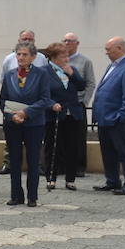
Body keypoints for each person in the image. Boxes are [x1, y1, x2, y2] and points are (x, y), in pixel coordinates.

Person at [0, 39, 53, 207]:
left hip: (34, 124)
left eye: (25, 55)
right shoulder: (9, 75)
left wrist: (26, 113)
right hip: (13, 124)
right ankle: (16, 195)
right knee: (14, 161)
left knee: (33, 160)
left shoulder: (42, 74)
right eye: (18, 54)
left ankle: (32, 196)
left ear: (33, 57)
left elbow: (45, 99)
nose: (21, 57)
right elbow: (3, 100)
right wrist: (12, 116)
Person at [93, 37, 125, 195]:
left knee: (124, 153)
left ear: (120, 48)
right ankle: (112, 181)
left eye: (109, 49)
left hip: (117, 119)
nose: (106, 52)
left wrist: (122, 116)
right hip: (104, 118)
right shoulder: (112, 66)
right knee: (108, 152)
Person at [0, 30, 48, 175]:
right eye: (24, 38)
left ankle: (36, 165)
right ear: (19, 40)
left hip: (33, 111)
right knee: (12, 145)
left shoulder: (42, 59)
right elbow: (5, 81)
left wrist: (27, 112)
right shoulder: (9, 59)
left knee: (34, 146)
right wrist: (13, 112)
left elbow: (44, 88)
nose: (21, 57)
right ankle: (8, 164)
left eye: (30, 38)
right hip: (13, 109)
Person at [43, 42, 87, 191]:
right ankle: (51, 178)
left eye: (67, 55)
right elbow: (42, 93)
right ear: (54, 57)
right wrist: (51, 104)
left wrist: (72, 74)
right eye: (63, 56)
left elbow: (81, 85)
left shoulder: (71, 69)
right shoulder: (44, 72)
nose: (67, 58)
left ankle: (70, 179)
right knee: (53, 147)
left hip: (72, 114)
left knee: (72, 147)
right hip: (54, 114)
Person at [65, 32, 96, 177]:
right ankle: (60, 166)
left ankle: (79, 167)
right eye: (64, 40)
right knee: (61, 137)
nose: (67, 43)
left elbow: (90, 83)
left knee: (78, 137)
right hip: (62, 104)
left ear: (77, 43)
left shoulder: (85, 61)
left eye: (70, 41)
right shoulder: (58, 60)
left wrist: (84, 102)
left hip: (77, 103)